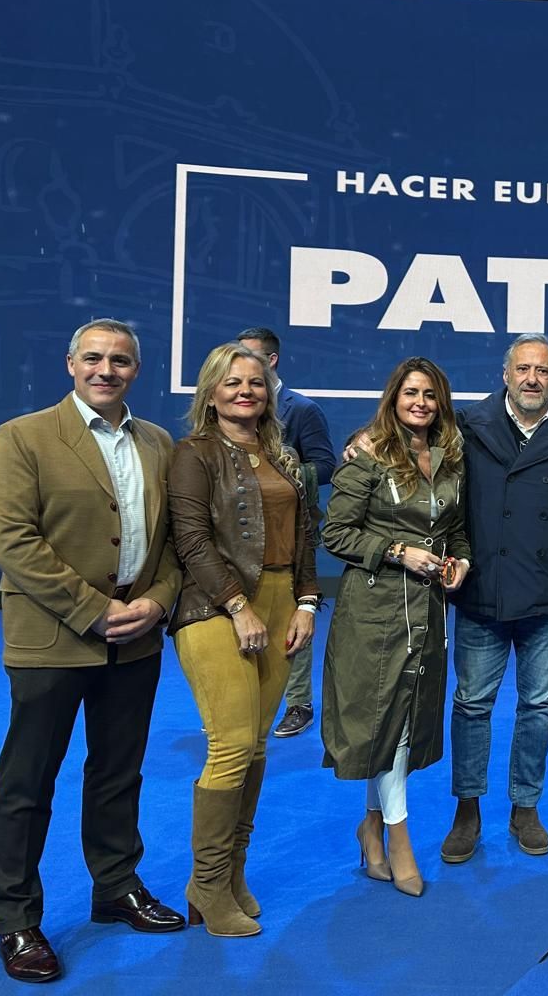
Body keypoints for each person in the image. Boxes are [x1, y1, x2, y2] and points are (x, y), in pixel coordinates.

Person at [0, 318, 186, 982]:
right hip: (52, 639)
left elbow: (177, 544)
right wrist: (95, 611)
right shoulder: (24, 436)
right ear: (71, 364)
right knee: (26, 783)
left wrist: (157, 601)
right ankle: (16, 923)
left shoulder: (158, 442)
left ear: (137, 369)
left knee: (119, 772)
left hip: (137, 640)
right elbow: (12, 540)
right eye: (93, 358)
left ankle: (115, 887)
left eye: (120, 360)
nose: (106, 370)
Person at [168, 342, 319, 936]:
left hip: (283, 602)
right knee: (230, 743)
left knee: (257, 745)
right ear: (210, 391)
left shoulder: (282, 454)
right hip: (214, 606)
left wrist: (306, 602)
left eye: (255, 382)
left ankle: (232, 873)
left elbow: (304, 532)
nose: (245, 391)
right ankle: (205, 884)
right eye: (232, 383)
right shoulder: (193, 454)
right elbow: (192, 540)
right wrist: (237, 606)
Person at [439, 333, 548, 862]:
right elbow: (403, 431)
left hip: (547, 597)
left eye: (543, 371)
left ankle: (525, 806)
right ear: (505, 374)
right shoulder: (466, 426)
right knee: (471, 704)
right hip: (481, 591)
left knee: (538, 706)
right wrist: (365, 438)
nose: (532, 379)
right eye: (523, 369)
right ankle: (468, 808)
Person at [321, 357, 471, 898]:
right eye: (411, 392)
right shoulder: (369, 456)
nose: (421, 403)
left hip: (428, 610)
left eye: (430, 394)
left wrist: (460, 562)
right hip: (373, 610)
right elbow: (334, 533)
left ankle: (370, 825)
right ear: (393, 397)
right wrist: (394, 550)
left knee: (401, 720)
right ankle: (400, 836)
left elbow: (457, 532)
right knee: (385, 722)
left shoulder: (452, 459)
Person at [235, 327, 337, 741]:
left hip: (291, 529)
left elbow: (326, 466)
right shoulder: (230, 403)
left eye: (251, 358)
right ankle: (241, 701)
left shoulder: (301, 409)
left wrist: (280, 475)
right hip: (240, 531)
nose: (240, 369)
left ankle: (299, 703)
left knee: (297, 613)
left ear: (271, 361)